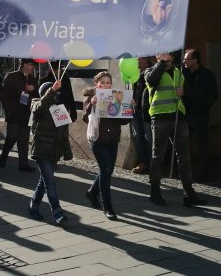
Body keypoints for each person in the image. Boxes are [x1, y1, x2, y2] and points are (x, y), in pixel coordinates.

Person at [144, 51, 205, 207]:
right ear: (157, 57)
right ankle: (155, 191)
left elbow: (190, 92)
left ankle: (188, 192)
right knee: (158, 155)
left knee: (184, 156)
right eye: (161, 54)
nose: (165, 56)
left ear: (172, 56)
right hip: (160, 117)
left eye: (168, 54)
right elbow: (152, 81)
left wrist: (183, 93)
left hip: (178, 116)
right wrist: (161, 64)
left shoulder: (178, 72)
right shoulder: (150, 71)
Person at [82, 71, 130, 220]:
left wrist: (129, 107)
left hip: (113, 140)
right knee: (105, 171)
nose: (106, 85)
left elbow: (124, 121)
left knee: (108, 172)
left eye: (108, 82)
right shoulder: (91, 97)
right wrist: (92, 104)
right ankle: (108, 207)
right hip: (99, 140)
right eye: (102, 82)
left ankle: (92, 192)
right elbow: (85, 118)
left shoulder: (116, 96)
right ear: (97, 84)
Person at [28, 81, 71, 225]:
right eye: (53, 92)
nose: (56, 95)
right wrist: (51, 90)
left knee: (43, 181)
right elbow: (39, 109)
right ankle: (58, 213)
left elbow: (64, 133)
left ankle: (33, 206)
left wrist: (67, 151)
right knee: (50, 183)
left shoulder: (60, 109)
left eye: (57, 93)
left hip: (54, 151)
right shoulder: (37, 104)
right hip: (41, 150)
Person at [182, 49, 218, 182]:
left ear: (195, 60)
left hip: (199, 115)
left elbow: (213, 95)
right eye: (184, 59)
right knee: (184, 144)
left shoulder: (206, 75)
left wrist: (201, 107)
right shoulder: (183, 73)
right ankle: (185, 171)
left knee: (201, 144)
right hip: (186, 114)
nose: (184, 61)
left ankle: (202, 173)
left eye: (187, 59)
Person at [0, 58, 38, 172]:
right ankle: (4, 156)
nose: (33, 67)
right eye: (31, 65)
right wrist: (8, 110)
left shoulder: (32, 79)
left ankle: (23, 164)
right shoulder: (12, 76)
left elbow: (37, 97)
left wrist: (33, 89)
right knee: (11, 137)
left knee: (24, 140)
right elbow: (4, 94)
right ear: (24, 65)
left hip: (27, 114)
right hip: (14, 113)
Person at [130, 56, 154, 174]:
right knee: (137, 137)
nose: (136, 61)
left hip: (147, 112)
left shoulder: (152, 72)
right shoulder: (136, 74)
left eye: (138, 59)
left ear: (145, 59)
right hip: (135, 110)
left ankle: (151, 164)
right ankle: (143, 162)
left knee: (148, 138)